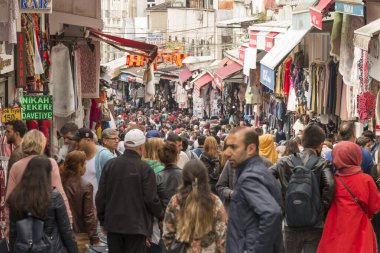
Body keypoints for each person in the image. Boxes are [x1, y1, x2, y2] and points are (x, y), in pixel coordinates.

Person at [270, 124, 335, 253]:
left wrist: (280, 201)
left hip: (291, 220)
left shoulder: (283, 162)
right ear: (321, 144)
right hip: (315, 223)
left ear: (303, 141)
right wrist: (320, 208)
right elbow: (330, 185)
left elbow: (264, 176)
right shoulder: (322, 164)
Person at [96, 129, 163, 253]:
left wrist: (103, 220)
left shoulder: (110, 165)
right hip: (136, 227)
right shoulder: (145, 169)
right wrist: (161, 215)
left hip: (114, 224)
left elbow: (101, 197)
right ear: (141, 147)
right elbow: (151, 199)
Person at [224, 127, 283, 253]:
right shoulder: (257, 171)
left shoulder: (250, 177)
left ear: (250, 149)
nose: (227, 153)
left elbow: (271, 213)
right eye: (226, 147)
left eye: (233, 147)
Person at [317, 141, 380, 253]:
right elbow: (375, 207)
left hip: (334, 230)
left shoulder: (331, 181)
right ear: (357, 156)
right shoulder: (366, 180)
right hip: (361, 231)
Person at [7, 156, 78, 253]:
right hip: (52, 248)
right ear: (47, 174)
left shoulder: (16, 197)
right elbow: (65, 231)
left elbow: (13, 231)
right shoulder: (54, 197)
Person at [6, 130, 72, 233]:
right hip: (46, 213)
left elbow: (9, 198)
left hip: (23, 217)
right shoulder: (50, 163)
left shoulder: (16, 166)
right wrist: (69, 219)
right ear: (42, 144)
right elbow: (60, 192)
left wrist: (8, 225)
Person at [162, 160, 227, 252]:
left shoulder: (175, 201)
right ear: (205, 177)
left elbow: (167, 234)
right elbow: (222, 238)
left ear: (183, 178)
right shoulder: (214, 202)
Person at [61, 151, 100, 253]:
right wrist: (94, 237)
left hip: (61, 232)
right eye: (85, 163)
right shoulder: (85, 186)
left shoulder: (60, 182)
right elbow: (89, 214)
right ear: (79, 166)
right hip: (79, 234)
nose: (86, 166)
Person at [74, 128, 114, 204]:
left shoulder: (104, 156)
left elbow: (114, 182)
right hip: (82, 207)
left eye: (78, 141)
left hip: (98, 208)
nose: (76, 143)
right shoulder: (77, 155)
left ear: (88, 140)